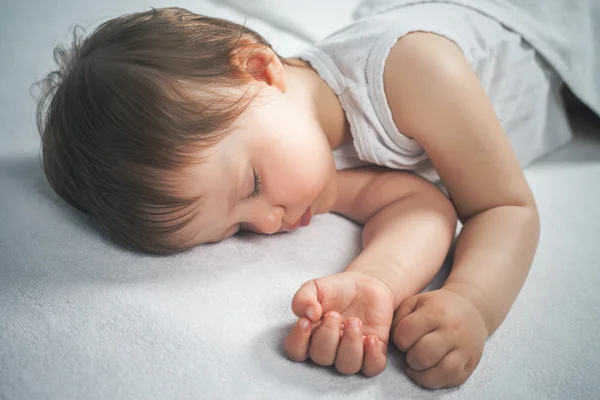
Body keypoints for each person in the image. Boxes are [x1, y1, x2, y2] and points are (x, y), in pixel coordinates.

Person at [34, 1, 596, 389]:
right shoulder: (300, 151)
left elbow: (503, 207)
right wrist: (375, 279)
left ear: (258, 68)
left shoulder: (414, 72)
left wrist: (473, 302)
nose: (271, 220)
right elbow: (417, 203)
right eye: (239, 228)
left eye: (249, 187)